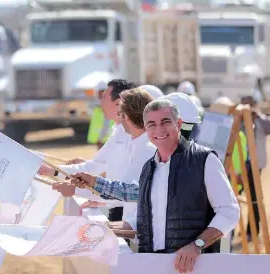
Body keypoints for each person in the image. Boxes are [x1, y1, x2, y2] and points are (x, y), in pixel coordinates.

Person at [57, 99, 240, 273]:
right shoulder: (149, 167)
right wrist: (104, 229)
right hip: (154, 265)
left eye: (165, 122)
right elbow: (146, 223)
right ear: (146, 129)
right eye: (151, 124)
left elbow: (229, 212)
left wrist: (197, 245)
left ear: (179, 123)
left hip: (195, 267)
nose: (159, 129)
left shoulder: (204, 160)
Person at [63, 88, 158, 244]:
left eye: (120, 114)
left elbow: (130, 192)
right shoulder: (140, 146)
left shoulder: (146, 149)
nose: (119, 120)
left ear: (128, 116)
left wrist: (81, 188)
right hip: (135, 234)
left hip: (143, 240)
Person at [39, 79, 136, 223]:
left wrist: (54, 172)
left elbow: (125, 186)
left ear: (118, 102)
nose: (100, 103)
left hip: (128, 216)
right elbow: (99, 168)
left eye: (103, 97)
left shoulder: (129, 135)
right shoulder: (119, 132)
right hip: (121, 210)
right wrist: (52, 171)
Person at [239, 94, 270, 240]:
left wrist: (256, 115)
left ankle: (252, 230)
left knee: (254, 197)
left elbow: (268, 128)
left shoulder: (261, 119)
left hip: (255, 164)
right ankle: (244, 229)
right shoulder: (240, 121)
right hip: (241, 164)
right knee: (239, 196)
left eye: (248, 104)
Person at [87, 81, 114, 149]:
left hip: (105, 139)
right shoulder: (98, 105)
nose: (102, 94)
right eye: (100, 92)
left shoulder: (104, 105)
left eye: (103, 92)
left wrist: (101, 138)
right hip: (104, 139)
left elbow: (106, 122)